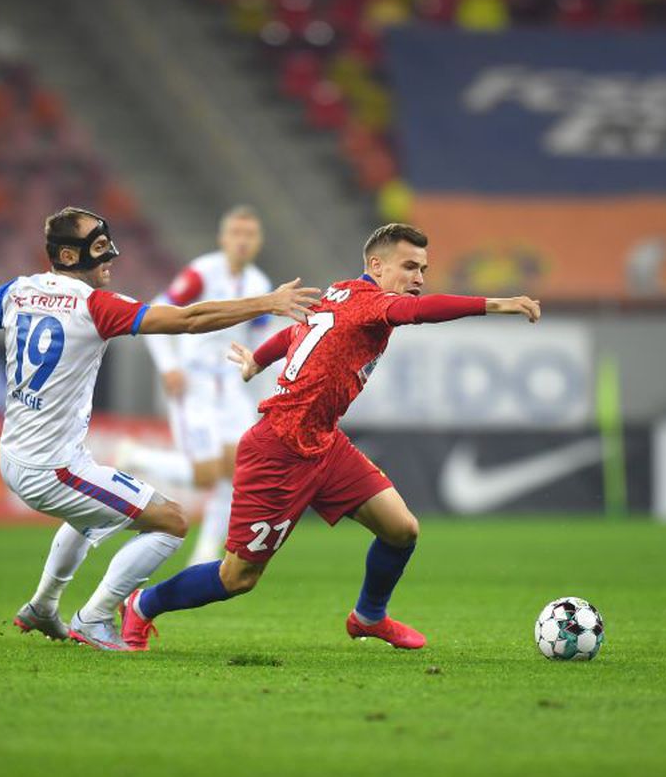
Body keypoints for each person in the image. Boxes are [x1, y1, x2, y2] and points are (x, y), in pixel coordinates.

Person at [0, 207, 319, 650]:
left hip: (16, 455)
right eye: (100, 247)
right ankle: (95, 617)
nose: (110, 256)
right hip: (53, 469)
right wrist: (268, 302)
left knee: (91, 515)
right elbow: (190, 319)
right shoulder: (97, 307)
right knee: (171, 522)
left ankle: (43, 606)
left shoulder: (18, 291)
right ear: (70, 256)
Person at [120, 223, 541, 651]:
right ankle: (141, 604)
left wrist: (258, 361)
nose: (418, 278)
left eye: (423, 269)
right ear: (376, 265)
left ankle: (369, 617)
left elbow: (295, 331)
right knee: (237, 577)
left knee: (401, 530)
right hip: (277, 450)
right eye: (409, 267)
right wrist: (495, 304)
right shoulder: (374, 303)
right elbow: (419, 311)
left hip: (323, 443)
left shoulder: (341, 293)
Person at [131, 205, 274, 566]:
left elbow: (260, 338)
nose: (242, 241)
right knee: (206, 474)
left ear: (259, 241)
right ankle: (134, 457)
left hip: (231, 386)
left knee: (238, 470)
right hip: (194, 382)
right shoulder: (201, 273)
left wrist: (257, 372)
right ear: (223, 238)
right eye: (236, 233)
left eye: (249, 234)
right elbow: (156, 311)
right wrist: (169, 366)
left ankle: (205, 553)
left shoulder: (259, 285)